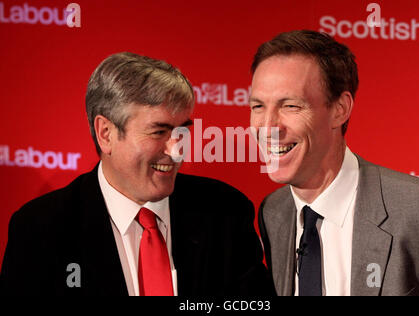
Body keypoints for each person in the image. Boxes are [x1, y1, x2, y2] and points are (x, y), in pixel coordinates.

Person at [0, 52, 274, 296]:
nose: (178, 150)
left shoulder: (224, 211)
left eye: (183, 131)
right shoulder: (40, 230)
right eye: (159, 132)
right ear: (105, 133)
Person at [249, 30, 419, 296]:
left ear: (339, 110)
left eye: (291, 106)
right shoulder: (273, 212)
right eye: (258, 106)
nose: (268, 127)